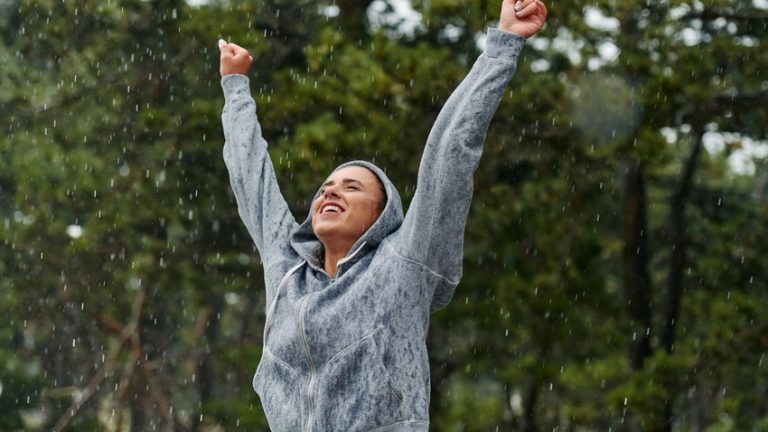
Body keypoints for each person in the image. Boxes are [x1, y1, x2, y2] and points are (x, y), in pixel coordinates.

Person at [219, 0, 547, 430]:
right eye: (325, 187)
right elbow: (250, 175)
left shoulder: (403, 262)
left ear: (381, 216)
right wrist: (235, 88)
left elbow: (450, 152)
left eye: (351, 187)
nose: (330, 191)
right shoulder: (287, 269)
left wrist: (503, 45)